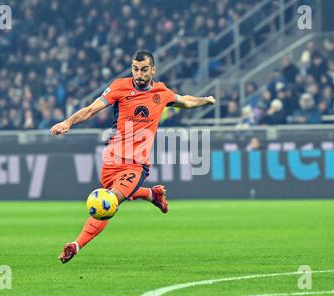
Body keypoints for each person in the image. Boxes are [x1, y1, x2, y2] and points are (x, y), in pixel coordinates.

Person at [50, 50, 216, 263]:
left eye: (144, 69)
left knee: (108, 203)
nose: (139, 74)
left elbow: (185, 101)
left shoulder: (161, 92)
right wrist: (68, 122)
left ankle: (76, 244)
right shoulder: (119, 86)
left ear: (153, 70)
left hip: (136, 164)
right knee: (114, 196)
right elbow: (91, 109)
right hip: (112, 159)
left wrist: (206, 100)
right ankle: (151, 195)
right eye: (135, 69)